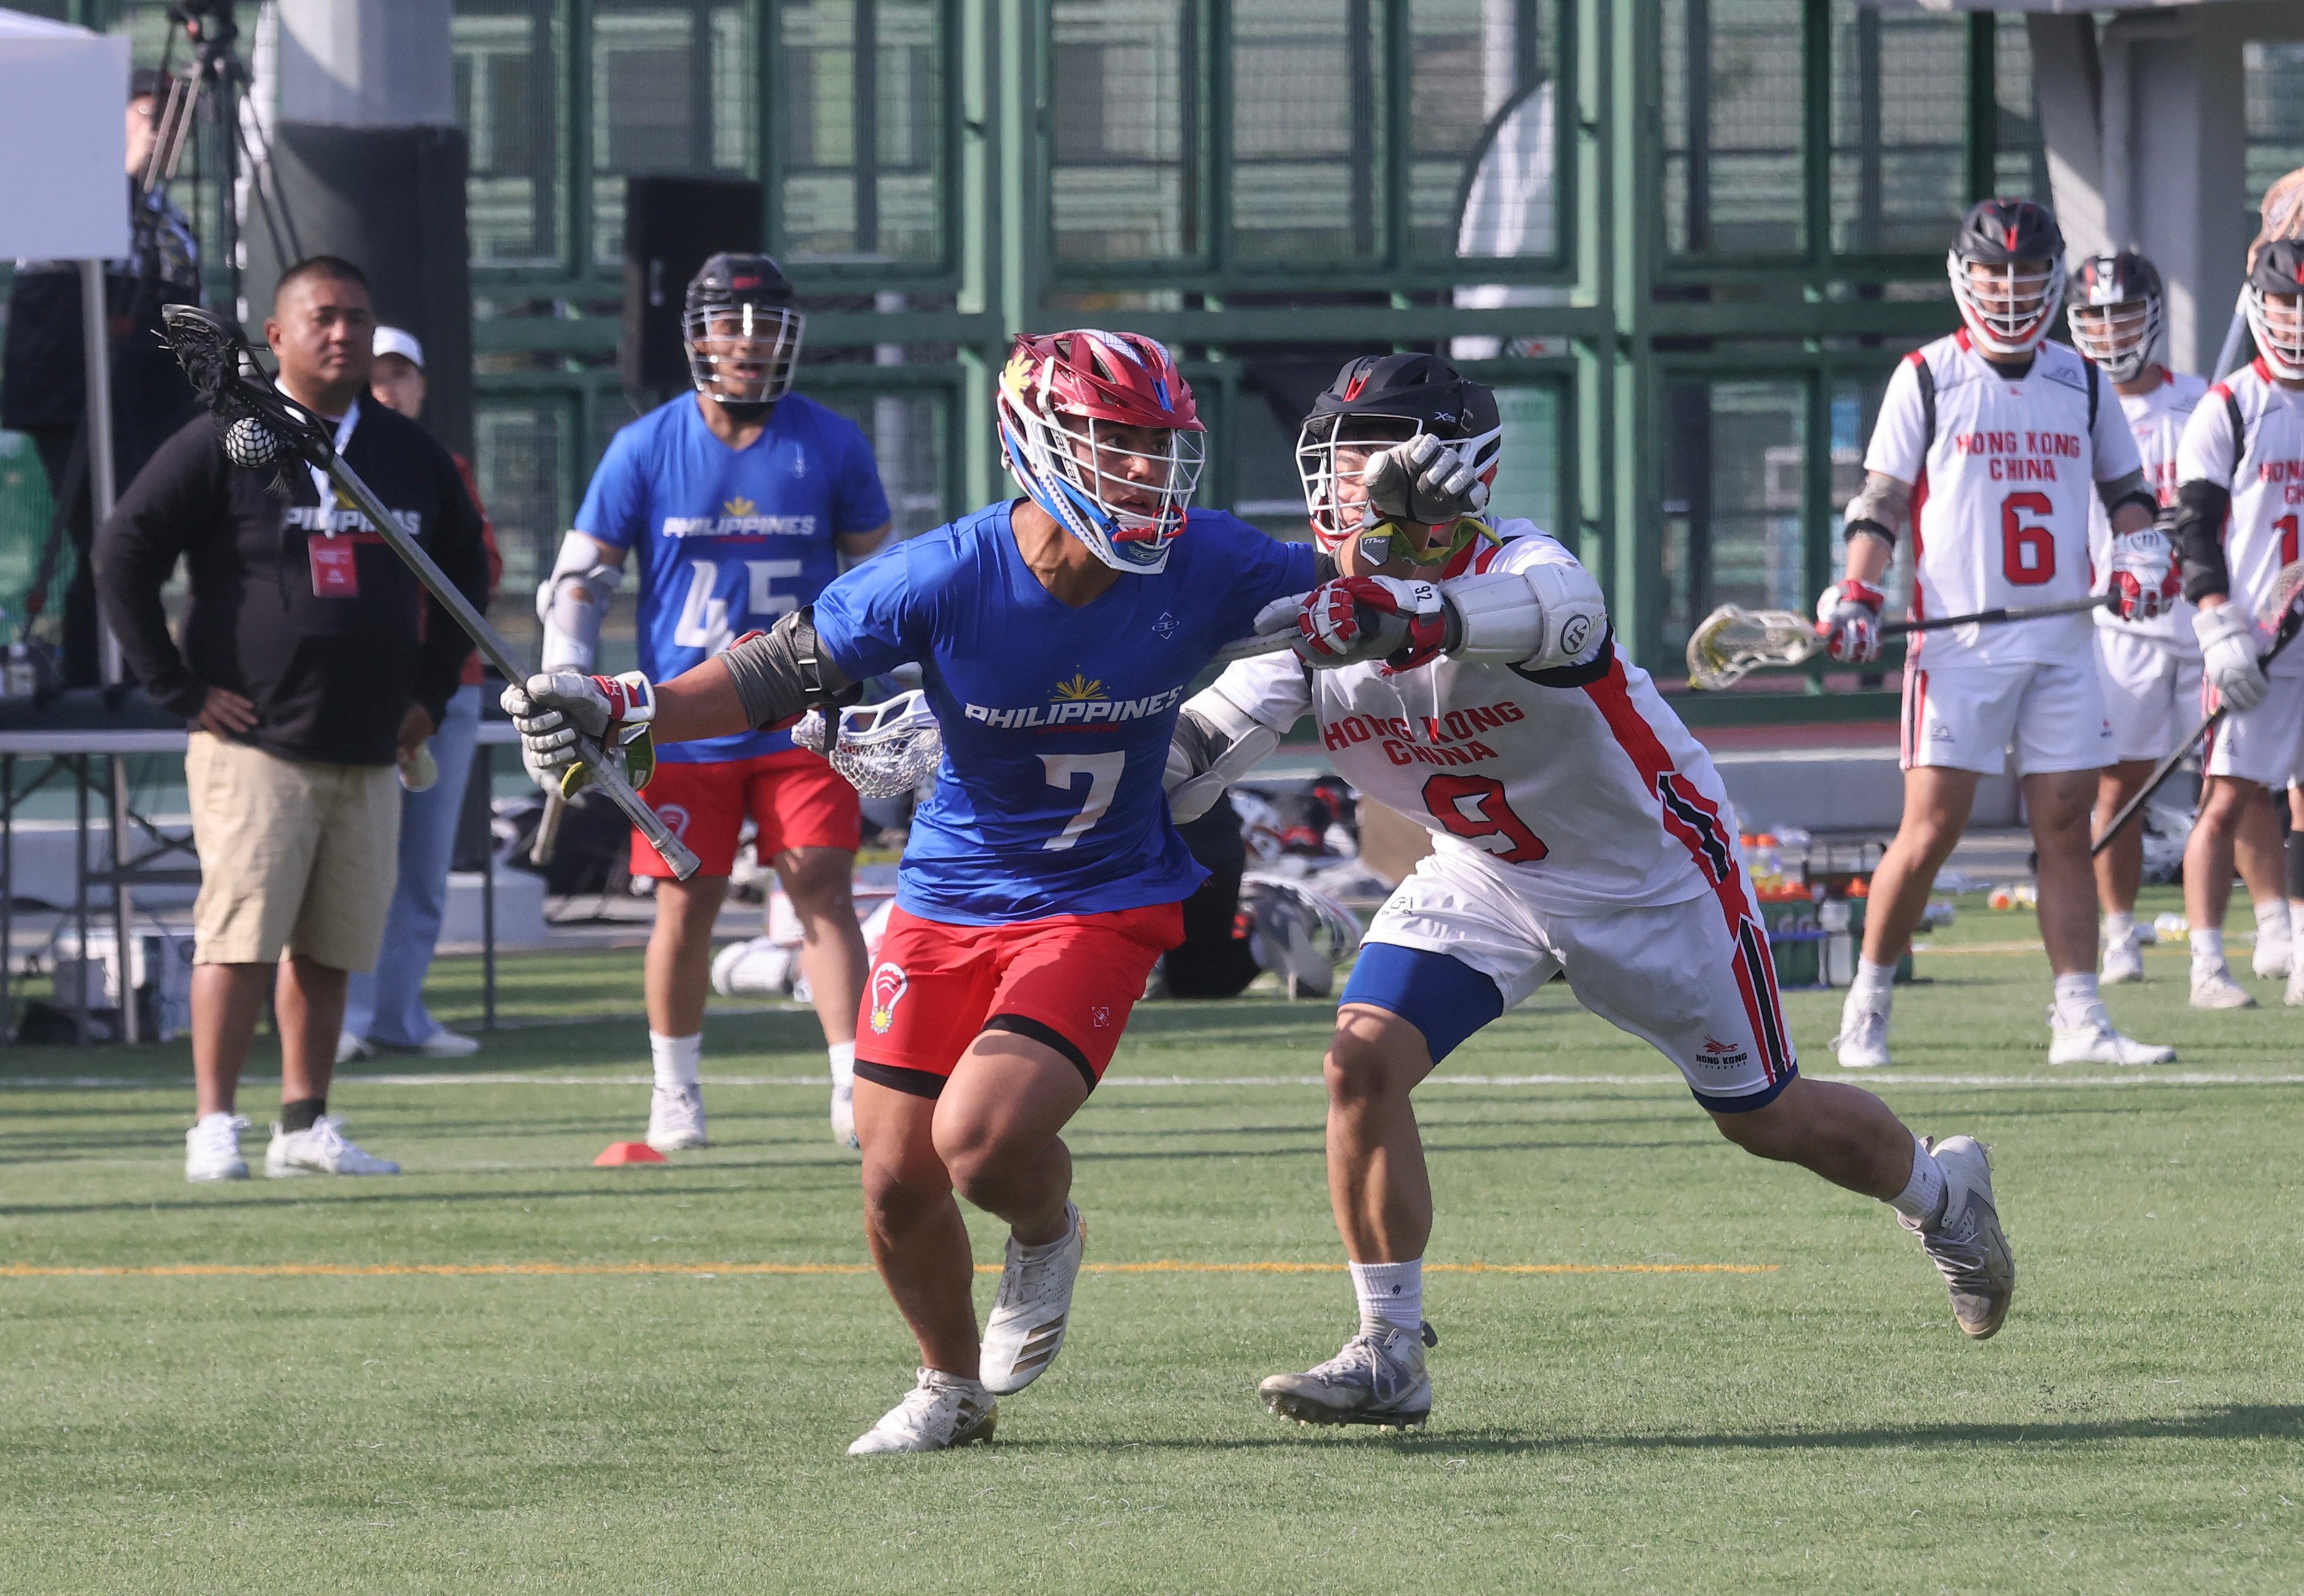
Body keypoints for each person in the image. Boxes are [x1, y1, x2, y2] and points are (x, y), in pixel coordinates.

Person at [1156, 354, 2013, 1429]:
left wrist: (1397, 614)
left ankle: (1939, 1196)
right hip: (1488, 872)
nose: (1340, 483)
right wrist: (1028, 748)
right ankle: (1387, 1350)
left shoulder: (1531, 567)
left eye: (1364, 452)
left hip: (1648, 877)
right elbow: (1191, 747)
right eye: (1331, 457)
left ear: (1449, 467)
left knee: (1767, 1118)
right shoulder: (1324, 611)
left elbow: (1539, 618)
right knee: (1360, 1057)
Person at [505, 330, 1320, 1454]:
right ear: (1037, 443)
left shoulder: (1208, 557)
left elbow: (1363, 595)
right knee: (893, 1176)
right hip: (947, 895)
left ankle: (1045, 1230)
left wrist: (1428, 557)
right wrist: (620, 704)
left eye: (1158, 447)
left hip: (1099, 892)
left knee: (980, 1142)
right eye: (1116, 444)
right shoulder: (944, 572)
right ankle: (949, 1386)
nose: (1144, 472)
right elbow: (772, 669)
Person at [94, 257, 490, 1182]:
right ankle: (214, 1125)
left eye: (357, 317)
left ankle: (304, 1124)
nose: (342, 333)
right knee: (238, 937)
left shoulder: (407, 452)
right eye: (322, 317)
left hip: (372, 742)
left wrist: (430, 697)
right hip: (253, 743)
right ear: (276, 336)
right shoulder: (223, 441)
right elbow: (121, 553)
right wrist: (179, 689)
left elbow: (468, 576)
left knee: (333, 943)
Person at [527, 254, 890, 1153]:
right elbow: (580, 578)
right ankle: (674, 1091)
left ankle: (852, 1084)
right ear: (697, 336)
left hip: (802, 707)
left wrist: (890, 693)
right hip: (681, 719)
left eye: (765, 322)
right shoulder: (645, 445)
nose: (749, 342)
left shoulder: (830, 442)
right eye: (730, 323)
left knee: (821, 888)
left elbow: (884, 580)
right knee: (684, 905)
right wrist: (566, 683)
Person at [1825, 199, 2173, 1068]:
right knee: (1931, 827)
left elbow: (2125, 490)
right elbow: (1879, 500)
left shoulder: (2081, 379)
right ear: (1963, 274)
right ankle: (1866, 1000)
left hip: (2059, 638)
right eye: (1994, 273)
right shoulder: (1927, 375)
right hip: (1958, 643)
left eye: (2025, 273)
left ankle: (2078, 1017)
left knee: (2065, 822)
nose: (2010, 290)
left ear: (2052, 277)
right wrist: (1859, 590)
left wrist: (2136, 556)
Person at [2069, 253, 2294, 993]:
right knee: (2123, 783)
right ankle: (2118, 936)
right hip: (2125, 629)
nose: (2111, 330)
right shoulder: (2071, 403)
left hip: (2216, 619)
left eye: (2123, 314)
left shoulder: (2203, 400)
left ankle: (2272, 926)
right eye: (2096, 316)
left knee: (2240, 781)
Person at [1, 67, 201, 687]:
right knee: (109, 530)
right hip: (79, 399)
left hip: (152, 399)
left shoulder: (168, 218)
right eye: (150, 115)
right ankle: (98, 671)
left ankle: (132, 663)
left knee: (152, 531)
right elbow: (53, 305)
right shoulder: (77, 194)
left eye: (176, 122)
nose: (165, 132)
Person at [338, 327, 505, 1059]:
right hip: (348, 691)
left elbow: (483, 570)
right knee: (347, 860)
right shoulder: (321, 467)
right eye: (375, 375)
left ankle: (395, 1016)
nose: (387, 388)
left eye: (400, 374)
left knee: (423, 864)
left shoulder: (445, 468)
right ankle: (338, 1019)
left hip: (446, 692)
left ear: (422, 386)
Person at [2170, 238, 2304, 1011]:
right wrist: (2216, 622)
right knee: (2225, 795)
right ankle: (2206, 965)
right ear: (2260, 303)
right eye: (2285, 300)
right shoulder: (2229, 404)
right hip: (2253, 636)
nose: (2295, 317)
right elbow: (2194, 527)